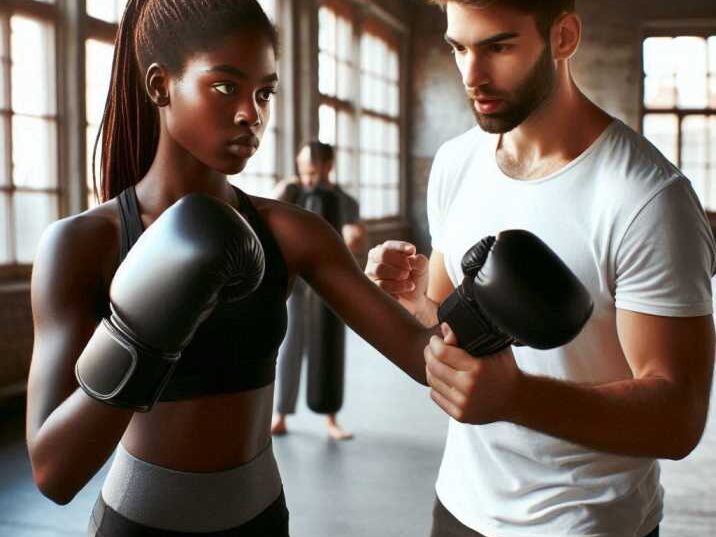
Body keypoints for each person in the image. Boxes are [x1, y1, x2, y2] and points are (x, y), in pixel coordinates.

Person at [25, 1, 434, 535]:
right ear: (159, 86)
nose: (252, 114)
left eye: (264, 93)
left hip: (261, 522)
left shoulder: (293, 233)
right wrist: (140, 334)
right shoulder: (83, 244)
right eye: (226, 87)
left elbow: (428, 362)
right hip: (136, 524)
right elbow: (53, 472)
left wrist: (443, 306)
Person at [365, 1, 716, 536]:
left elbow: (677, 419)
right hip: (459, 506)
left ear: (564, 37)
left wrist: (517, 397)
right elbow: (447, 329)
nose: (473, 75)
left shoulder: (648, 200)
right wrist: (416, 301)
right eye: (459, 48)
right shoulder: (456, 163)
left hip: (583, 523)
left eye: (499, 47)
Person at [271, 141, 366, 440]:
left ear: (328, 166)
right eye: (302, 170)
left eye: (312, 170)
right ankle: (280, 415)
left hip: (330, 284)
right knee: (289, 348)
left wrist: (354, 237)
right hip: (296, 284)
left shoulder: (343, 200)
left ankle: (331, 419)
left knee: (329, 348)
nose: (307, 176)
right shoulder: (293, 192)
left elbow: (355, 230)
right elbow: (267, 215)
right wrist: (282, 190)